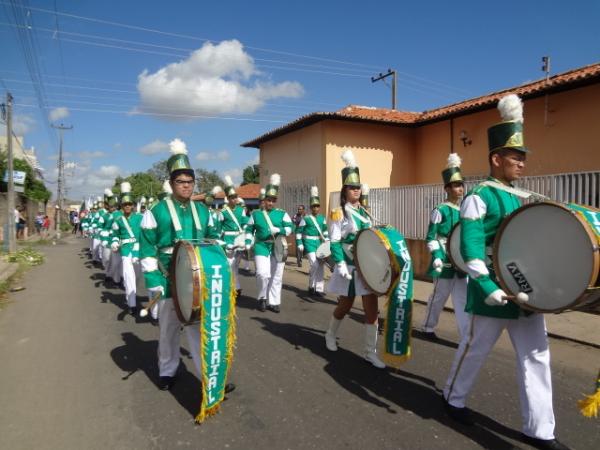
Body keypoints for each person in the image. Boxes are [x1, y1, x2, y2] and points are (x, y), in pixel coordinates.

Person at [442, 95, 569, 450]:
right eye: (516, 157)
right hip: (493, 288)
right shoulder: (478, 196)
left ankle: (540, 430)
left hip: (527, 289)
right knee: (476, 347)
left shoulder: (522, 196)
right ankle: (452, 397)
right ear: (496, 159)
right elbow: (469, 246)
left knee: (537, 355)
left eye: (523, 158)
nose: (522, 164)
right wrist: (484, 283)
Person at [140, 138, 227, 391]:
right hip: (167, 276)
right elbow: (147, 247)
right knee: (169, 328)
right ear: (171, 183)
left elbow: (214, 240)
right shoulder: (156, 211)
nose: (186, 186)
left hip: (198, 278)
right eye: (181, 182)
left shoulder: (203, 211)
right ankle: (167, 371)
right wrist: (154, 281)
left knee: (200, 329)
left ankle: (207, 377)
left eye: (190, 182)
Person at [324, 149, 385, 369]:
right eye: (352, 187)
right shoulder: (338, 212)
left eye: (358, 187)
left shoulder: (366, 212)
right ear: (344, 190)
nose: (356, 190)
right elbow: (334, 240)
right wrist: (339, 263)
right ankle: (330, 334)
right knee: (345, 306)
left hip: (366, 267)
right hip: (348, 266)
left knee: (372, 311)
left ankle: (370, 352)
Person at [421, 152, 469, 341]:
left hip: (460, 260)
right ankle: (427, 327)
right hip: (444, 260)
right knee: (439, 297)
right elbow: (431, 237)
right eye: (456, 185)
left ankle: (466, 335)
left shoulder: (465, 210)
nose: (460, 188)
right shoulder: (439, 210)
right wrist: (438, 256)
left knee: (463, 300)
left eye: (461, 184)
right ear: (446, 188)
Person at [244, 174, 293, 313]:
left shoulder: (282, 213)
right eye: (268, 200)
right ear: (264, 200)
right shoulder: (256, 214)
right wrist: (248, 241)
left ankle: (274, 301)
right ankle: (262, 297)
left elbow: (291, 228)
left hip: (277, 245)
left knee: (277, 275)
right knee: (262, 274)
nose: (270, 203)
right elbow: (249, 229)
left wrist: (280, 229)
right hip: (261, 245)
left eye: (273, 200)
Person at [112, 182, 146, 316]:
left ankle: (132, 295)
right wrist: (115, 243)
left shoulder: (141, 218)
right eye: (125, 204)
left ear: (133, 205)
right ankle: (132, 304)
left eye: (129, 204)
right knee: (128, 277)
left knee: (137, 278)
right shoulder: (118, 220)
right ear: (122, 206)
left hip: (138, 251)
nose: (127, 206)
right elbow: (115, 235)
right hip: (125, 251)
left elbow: (146, 234)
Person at [295, 186, 329, 296]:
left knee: (320, 266)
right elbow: (298, 232)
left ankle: (319, 289)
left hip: (319, 243)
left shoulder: (322, 218)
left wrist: (327, 240)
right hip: (309, 244)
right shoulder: (306, 219)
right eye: (314, 206)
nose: (316, 208)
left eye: (317, 206)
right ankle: (311, 286)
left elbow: (324, 231)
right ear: (310, 207)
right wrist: (300, 243)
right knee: (314, 265)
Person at [220, 176, 248, 296]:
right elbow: (218, 230)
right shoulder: (223, 212)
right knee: (229, 265)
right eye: (231, 197)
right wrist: (225, 243)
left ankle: (235, 287)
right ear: (228, 198)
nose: (234, 199)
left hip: (239, 240)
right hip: (228, 240)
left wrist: (244, 234)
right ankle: (234, 288)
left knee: (235, 265)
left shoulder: (241, 210)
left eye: (235, 197)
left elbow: (245, 223)